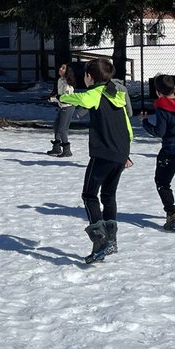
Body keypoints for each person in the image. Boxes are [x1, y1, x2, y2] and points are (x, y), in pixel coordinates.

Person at [56, 57, 133, 263]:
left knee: (89, 195)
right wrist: (125, 151)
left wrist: (61, 96)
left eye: (85, 75)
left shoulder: (95, 93)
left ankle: (101, 241)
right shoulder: (115, 93)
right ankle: (112, 239)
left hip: (103, 153)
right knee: (108, 195)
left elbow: (82, 99)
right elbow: (127, 125)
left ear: (90, 77)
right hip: (119, 152)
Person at [140, 74, 175, 230]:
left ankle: (171, 212)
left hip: (171, 150)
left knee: (162, 182)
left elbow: (160, 131)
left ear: (158, 92)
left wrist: (145, 122)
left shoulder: (163, 107)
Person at [46, 63, 76, 157]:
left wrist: (53, 99)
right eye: (61, 67)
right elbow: (59, 95)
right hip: (62, 106)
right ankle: (57, 147)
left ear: (67, 71)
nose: (60, 69)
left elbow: (65, 98)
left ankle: (67, 150)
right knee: (56, 126)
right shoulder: (60, 80)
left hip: (68, 106)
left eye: (63, 68)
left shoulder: (68, 84)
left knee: (63, 129)